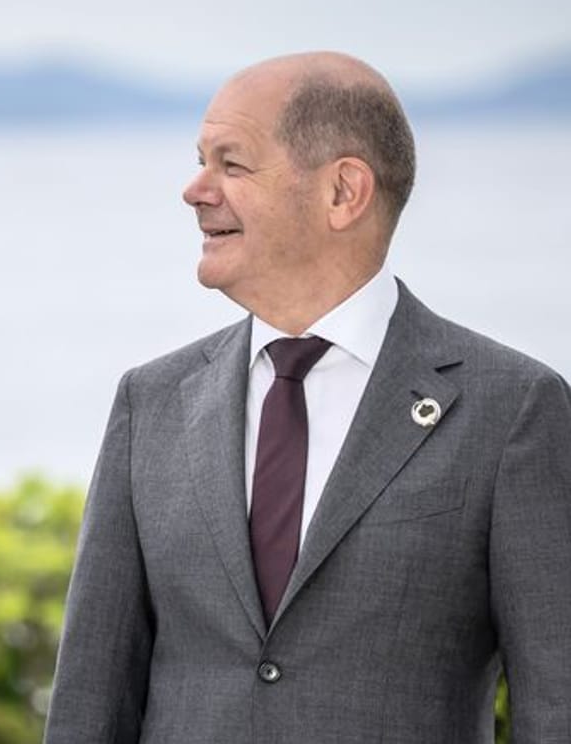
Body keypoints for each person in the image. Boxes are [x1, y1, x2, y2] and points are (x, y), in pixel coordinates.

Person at [45, 51, 571, 742]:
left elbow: (557, 706)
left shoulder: (513, 409)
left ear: (343, 192)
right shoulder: (152, 402)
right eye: (201, 161)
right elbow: (89, 702)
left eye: (231, 165)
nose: (195, 190)